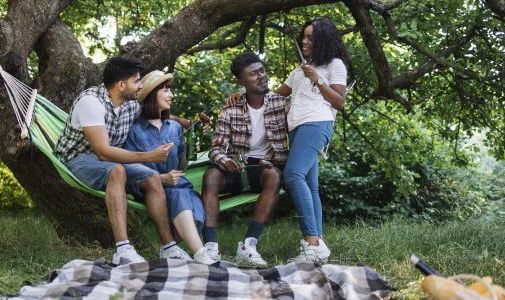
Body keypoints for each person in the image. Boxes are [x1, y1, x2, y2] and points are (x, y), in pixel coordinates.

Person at [227, 17, 349, 262]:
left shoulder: (335, 64)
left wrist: (317, 78)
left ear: (323, 40)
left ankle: (311, 243)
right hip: (297, 128)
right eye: (303, 36)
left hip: (317, 123)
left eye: (310, 37)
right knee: (310, 187)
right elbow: (270, 96)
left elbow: (339, 101)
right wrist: (240, 95)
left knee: (292, 175)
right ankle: (318, 247)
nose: (304, 41)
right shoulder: (298, 71)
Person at [53, 56, 188, 265]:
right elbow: (104, 153)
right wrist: (149, 156)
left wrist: (186, 122)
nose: (141, 86)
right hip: (75, 160)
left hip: (106, 161)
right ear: (121, 85)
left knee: (152, 177)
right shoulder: (91, 102)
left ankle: (169, 247)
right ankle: (123, 250)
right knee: (117, 170)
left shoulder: (130, 105)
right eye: (137, 81)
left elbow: (155, 112)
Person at [202, 52, 288, 266]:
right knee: (211, 176)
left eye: (262, 71)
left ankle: (248, 246)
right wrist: (225, 162)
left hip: (262, 169)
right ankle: (210, 248)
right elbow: (216, 148)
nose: (261, 76)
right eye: (253, 74)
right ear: (241, 82)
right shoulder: (231, 109)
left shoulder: (281, 104)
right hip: (235, 169)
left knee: (274, 177)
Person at [122, 70, 216, 264]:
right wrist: (162, 178)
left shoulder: (175, 128)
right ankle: (200, 255)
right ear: (150, 95)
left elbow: (182, 166)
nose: (171, 95)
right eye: (165, 90)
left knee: (194, 205)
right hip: (151, 189)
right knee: (182, 196)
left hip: (178, 185)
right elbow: (129, 165)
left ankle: (170, 250)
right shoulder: (133, 129)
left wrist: (188, 150)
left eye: (170, 90)